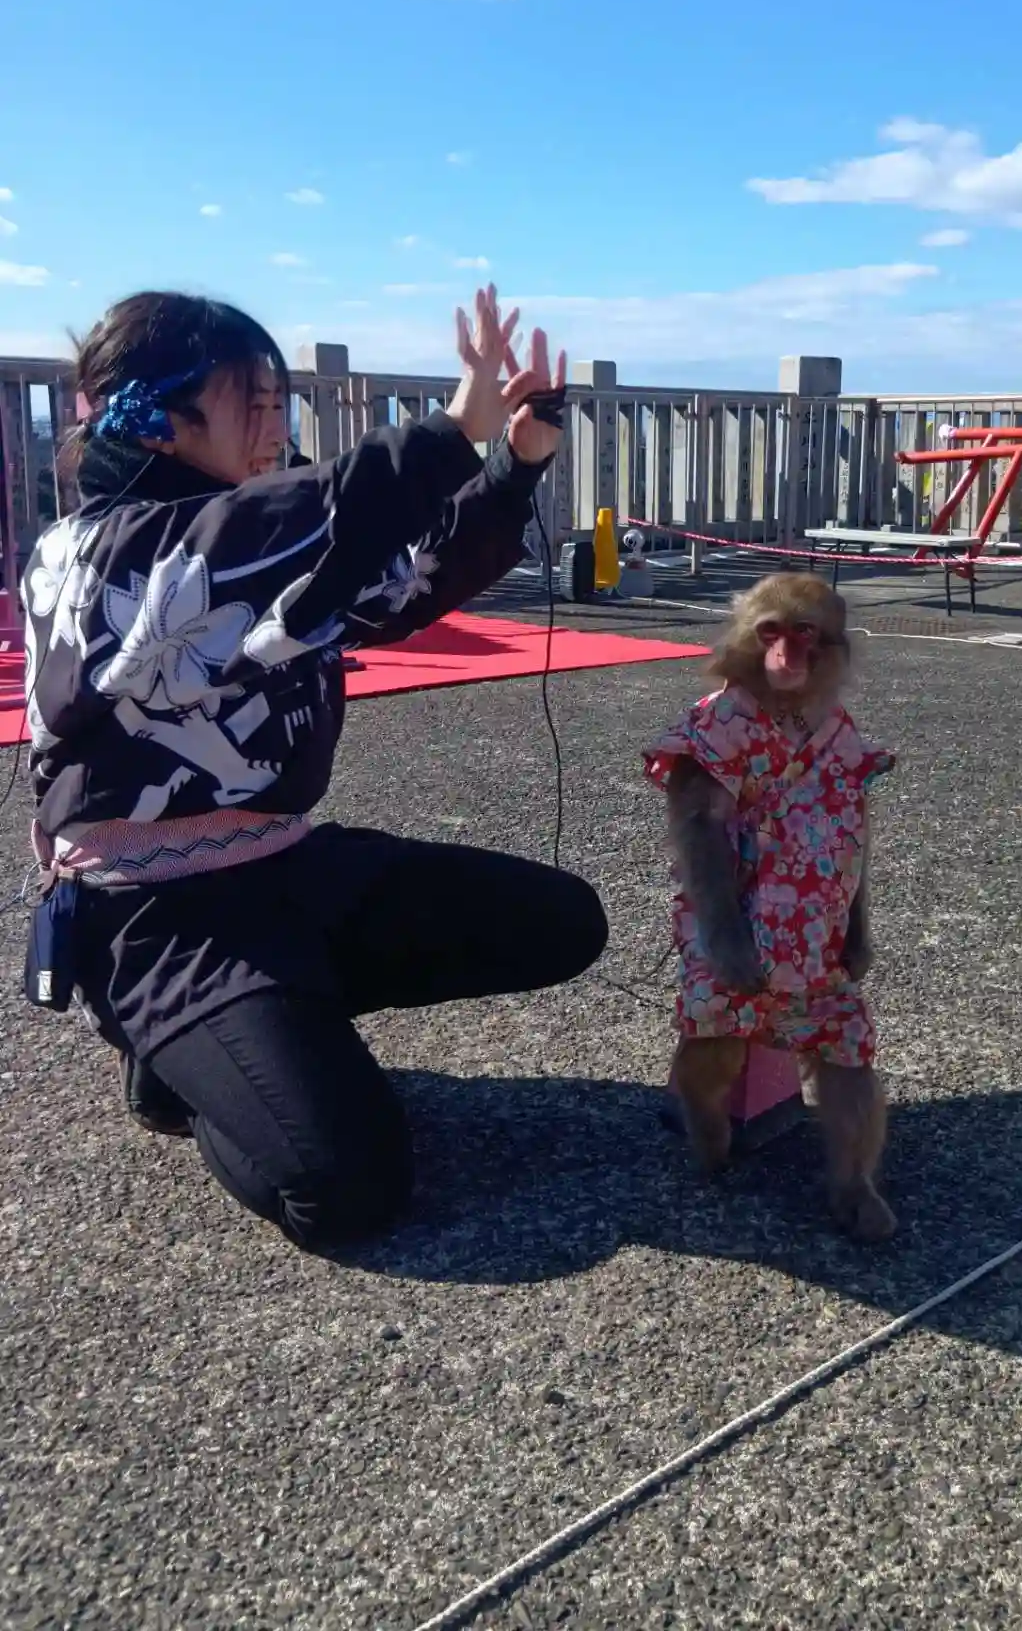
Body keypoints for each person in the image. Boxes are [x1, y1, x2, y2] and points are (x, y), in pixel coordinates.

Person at [20, 286, 608, 1251]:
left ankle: (262, 1027)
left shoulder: (258, 536)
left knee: (561, 920)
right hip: (159, 918)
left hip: (282, 868)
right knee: (344, 1190)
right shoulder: (93, 553)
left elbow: (399, 583)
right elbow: (269, 528)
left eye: (277, 401)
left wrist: (514, 463)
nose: (273, 426)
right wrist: (453, 430)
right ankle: (178, 1056)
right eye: (249, 403)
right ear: (157, 419)